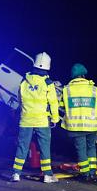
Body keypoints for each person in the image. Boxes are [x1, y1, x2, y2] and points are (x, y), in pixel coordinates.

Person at [10, 52, 60, 183]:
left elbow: (19, 99)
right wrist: (55, 119)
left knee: (22, 147)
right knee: (44, 148)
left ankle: (16, 174)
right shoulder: (48, 83)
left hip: (25, 119)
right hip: (42, 121)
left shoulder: (24, 81)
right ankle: (48, 175)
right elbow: (53, 103)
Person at [59, 63, 97, 182]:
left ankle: (85, 174)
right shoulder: (94, 89)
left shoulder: (66, 90)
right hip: (92, 125)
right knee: (91, 148)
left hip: (75, 127)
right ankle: (92, 173)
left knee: (81, 150)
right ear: (84, 75)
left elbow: (61, 106)